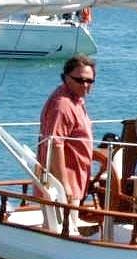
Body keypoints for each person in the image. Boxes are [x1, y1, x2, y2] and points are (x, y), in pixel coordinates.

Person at [38, 55, 97, 204]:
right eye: (80, 80)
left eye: (89, 81)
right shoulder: (62, 106)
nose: (85, 85)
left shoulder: (76, 100)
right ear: (66, 78)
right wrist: (64, 185)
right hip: (63, 189)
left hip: (77, 181)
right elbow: (54, 145)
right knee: (66, 220)